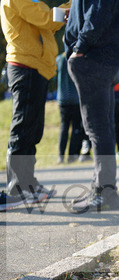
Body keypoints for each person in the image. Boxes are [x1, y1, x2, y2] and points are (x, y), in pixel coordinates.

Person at [65, 0, 119, 213]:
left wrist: (80, 46)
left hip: (94, 56)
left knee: (97, 128)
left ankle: (105, 193)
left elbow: (99, 12)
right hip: (101, 56)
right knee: (103, 127)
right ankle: (102, 190)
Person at [1, 0, 69, 202]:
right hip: (26, 66)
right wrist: (72, 7)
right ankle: (17, 188)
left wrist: (67, 10)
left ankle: (28, 183)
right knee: (23, 128)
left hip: (35, 66)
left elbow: (48, 22)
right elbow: (47, 18)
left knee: (32, 129)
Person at [56, 52, 85, 164]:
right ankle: (72, 155)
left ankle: (61, 155)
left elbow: (55, 77)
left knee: (64, 127)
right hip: (75, 98)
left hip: (62, 98)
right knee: (76, 127)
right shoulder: (77, 58)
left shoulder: (59, 59)